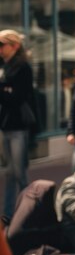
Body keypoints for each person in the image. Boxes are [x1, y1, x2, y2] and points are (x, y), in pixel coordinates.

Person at [0, 30, 36, 220]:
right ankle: (7, 214)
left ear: (14, 46)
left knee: (20, 173)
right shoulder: (4, 67)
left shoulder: (23, 68)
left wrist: (4, 90)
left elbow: (17, 97)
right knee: (9, 173)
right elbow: (8, 94)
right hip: (5, 125)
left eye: (1, 45)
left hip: (19, 127)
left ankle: (27, 214)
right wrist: (6, 89)